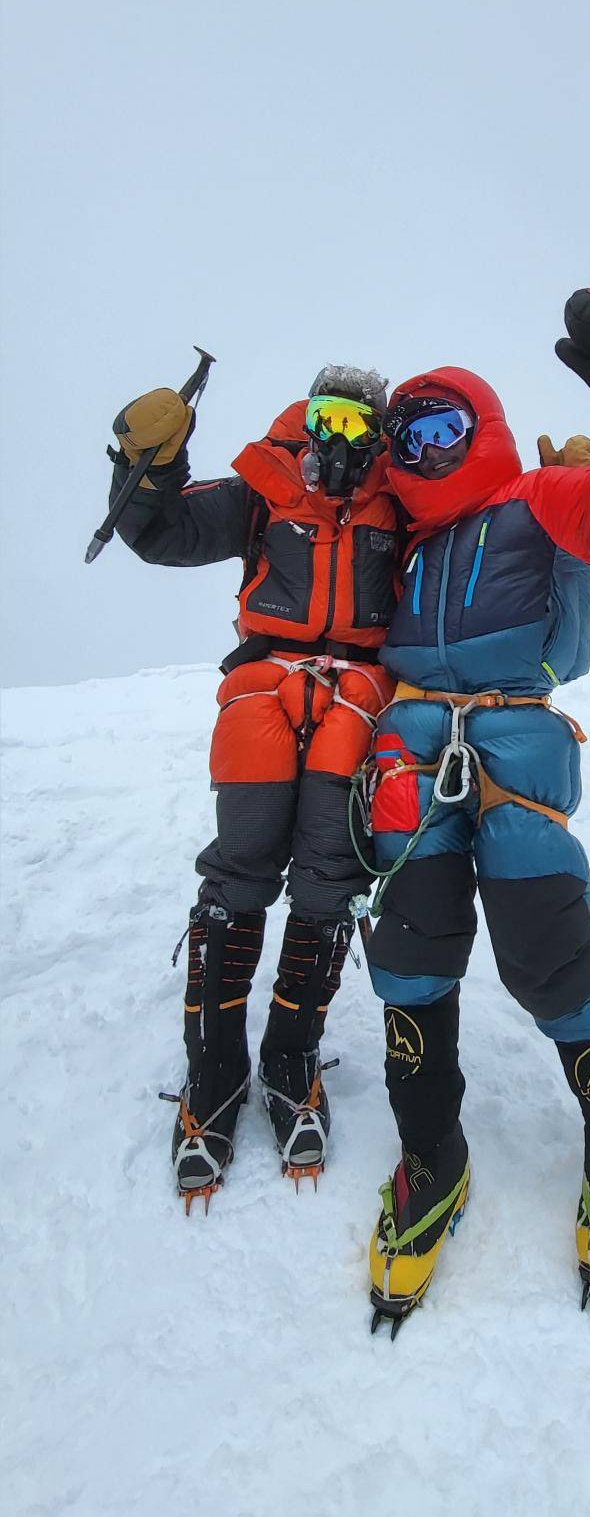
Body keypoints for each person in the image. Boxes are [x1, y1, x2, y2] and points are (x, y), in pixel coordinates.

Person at [361, 289, 590, 1326]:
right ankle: (434, 1151)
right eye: (406, 436)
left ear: (485, 431)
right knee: (411, 954)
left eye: (443, 431)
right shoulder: (397, 536)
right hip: (409, 750)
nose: (422, 452)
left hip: (512, 739)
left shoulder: (540, 498)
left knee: (541, 943)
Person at [108, 365, 400, 1207]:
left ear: (378, 433)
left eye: (356, 422)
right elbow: (160, 532)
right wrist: (149, 464)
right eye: (326, 417)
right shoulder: (262, 491)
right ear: (306, 419)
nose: (338, 437)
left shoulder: (399, 504)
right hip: (262, 690)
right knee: (239, 875)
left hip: (355, 698)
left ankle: (290, 1054)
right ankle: (216, 1067)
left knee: (326, 882)